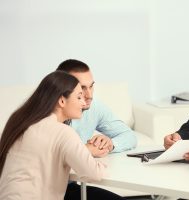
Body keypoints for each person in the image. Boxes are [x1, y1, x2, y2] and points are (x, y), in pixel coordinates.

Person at [0, 71, 112, 199]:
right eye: (79, 97)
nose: (83, 103)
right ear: (62, 101)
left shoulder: (19, 121)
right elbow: (94, 174)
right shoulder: (63, 132)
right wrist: (100, 153)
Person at [57, 59, 136, 200]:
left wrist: (110, 144)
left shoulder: (93, 107)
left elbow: (129, 136)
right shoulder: (45, 119)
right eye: (81, 89)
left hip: (70, 186)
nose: (89, 95)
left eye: (91, 87)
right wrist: (85, 150)